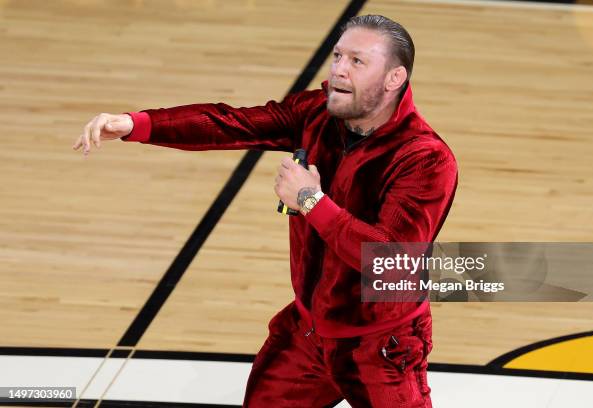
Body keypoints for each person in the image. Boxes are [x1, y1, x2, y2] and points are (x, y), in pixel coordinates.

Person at [73, 14, 458, 408]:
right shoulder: (316, 113)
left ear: (394, 79)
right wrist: (137, 124)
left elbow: (390, 259)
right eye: (337, 55)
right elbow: (233, 123)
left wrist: (311, 201)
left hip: (380, 345)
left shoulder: (425, 159)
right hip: (307, 333)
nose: (339, 70)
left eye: (357, 62)